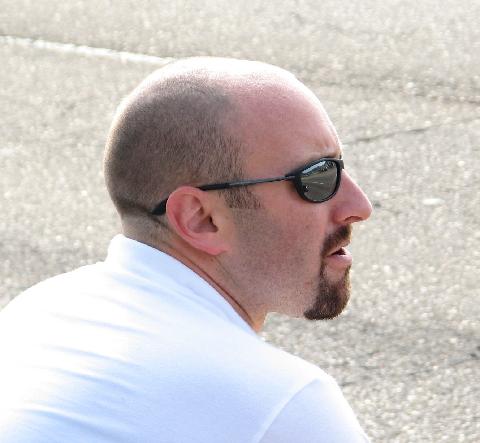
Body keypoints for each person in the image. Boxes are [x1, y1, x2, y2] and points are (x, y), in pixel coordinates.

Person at [0, 57, 372, 442]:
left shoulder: (34, 313)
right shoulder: (282, 405)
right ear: (201, 219)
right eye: (318, 178)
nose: (360, 207)